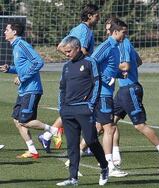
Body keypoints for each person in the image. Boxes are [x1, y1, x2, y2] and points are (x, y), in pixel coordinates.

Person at [105, 18, 159, 171]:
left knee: (139, 125)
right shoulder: (122, 44)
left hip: (130, 89)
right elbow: (139, 61)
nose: (107, 32)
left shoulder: (123, 43)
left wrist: (108, 67)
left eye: (109, 29)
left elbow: (126, 66)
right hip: (123, 90)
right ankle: (114, 157)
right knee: (109, 123)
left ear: (114, 31)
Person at [39, 3, 101, 152]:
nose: (98, 19)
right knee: (80, 106)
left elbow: (60, 46)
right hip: (81, 74)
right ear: (89, 16)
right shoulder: (85, 31)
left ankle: (48, 136)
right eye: (97, 16)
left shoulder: (76, 29)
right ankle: (87, 144)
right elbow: (84, 51)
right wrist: (81, 63)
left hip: (74, 72)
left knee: (74, 106)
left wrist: (72, 60)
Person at [0, 22, 58, 158]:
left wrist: (23, 78)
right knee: (16, 120)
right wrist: (10, 69)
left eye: (7, 30)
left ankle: (53, 130)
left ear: (14, 32)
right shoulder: (15, 47)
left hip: (32, 90)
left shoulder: (22, 45)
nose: (4, 32)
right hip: (24, 90)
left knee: (24, 121)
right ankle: (32, 150)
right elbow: (22, 67)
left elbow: (38, 62)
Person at [55, 36, 108, 186]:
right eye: (65, 52)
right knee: (72, 145)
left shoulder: (90, 62)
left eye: (69, 51)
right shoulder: (66, 66)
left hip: (84, 108)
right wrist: (62, 107)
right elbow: (62, 88)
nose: (67, 54)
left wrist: (90, 104)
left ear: (78, 48)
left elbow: (97, 83)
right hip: (68, 110)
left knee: (91, 140)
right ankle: (73, 178)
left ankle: (104, 166)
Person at [91, 18, 128, 177]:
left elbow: (109, 67)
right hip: (103, 93)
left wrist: (119, 74)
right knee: (109, 128)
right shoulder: (106, 45)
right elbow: (91, 61)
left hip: (107, 93)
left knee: (99, 128)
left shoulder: (117, 46)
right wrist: (106, 79)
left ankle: (75, 156)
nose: (125, 36)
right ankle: (109, 166)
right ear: (115, 32)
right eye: (123, 33)